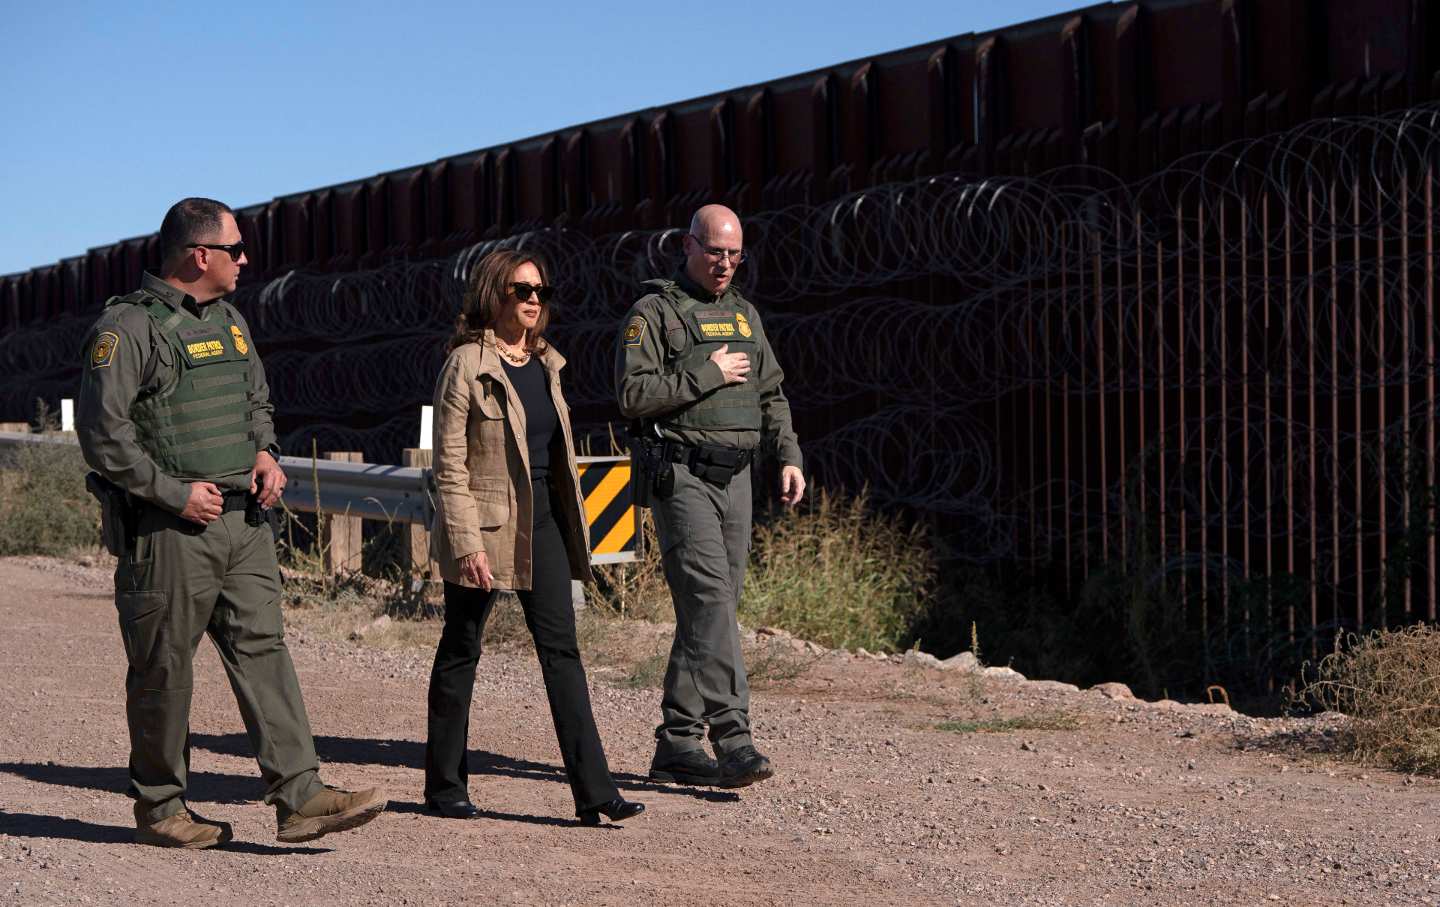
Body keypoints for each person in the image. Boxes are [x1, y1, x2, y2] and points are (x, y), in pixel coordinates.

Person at [76, 198, 387, 848]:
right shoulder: (129, 328)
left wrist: (266, 453)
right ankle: (162, 807)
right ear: (200, 255)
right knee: (164, 669)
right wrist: (171, 493)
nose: (246, 260)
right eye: (236, 249)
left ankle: (300, 796)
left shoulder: (231, 320)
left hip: (243, 526)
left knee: (264, 651)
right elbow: (104, 435)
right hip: (167, 533)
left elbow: (256, 398)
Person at [425, 249, 644, 826]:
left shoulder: (547, 362)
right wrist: (466, 542)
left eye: (540, 291)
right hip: (488, 526)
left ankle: (595, 792)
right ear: (493, 294)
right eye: (521, 289)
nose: (532, 300)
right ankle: (445, 786)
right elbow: (448, 465)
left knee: (562, 652)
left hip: (543, 522)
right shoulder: (466, 365)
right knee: (461, 648)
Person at [615, 204, 806, 788]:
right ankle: (734, 737)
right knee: (710, 603)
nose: (725, 264)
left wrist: (789, 454)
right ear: (688, 246)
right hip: (683, 476)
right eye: (715, 252)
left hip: (738, 479)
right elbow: (631, 394)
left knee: (712, 609)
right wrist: (708, 374)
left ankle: (677, 740)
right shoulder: (654, 313)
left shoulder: (745, 315)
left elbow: (772, 392)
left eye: (734, 254)